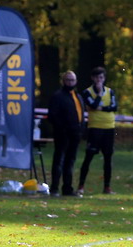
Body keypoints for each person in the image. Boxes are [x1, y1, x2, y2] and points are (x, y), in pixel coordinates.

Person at [77, 66, 117, 195]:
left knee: (108, 158)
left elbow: (114, 107)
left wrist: (101, 108)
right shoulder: (87, 92)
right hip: (95, 128)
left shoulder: (110, 91)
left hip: (109, 127)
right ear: (92, 78)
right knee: (89, 157)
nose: (99, 80)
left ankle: (107, 187)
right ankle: (81, 186)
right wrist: (99, 95)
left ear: (104, 78)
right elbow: (93, 105)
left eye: (101, 77)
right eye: (97, 77)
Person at [48, 70, 84, 196]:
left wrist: (81, 130)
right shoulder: (58, 96)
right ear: (63, 81)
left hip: (75, 134)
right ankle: (54, 188)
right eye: (68, 80)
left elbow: (81, 115)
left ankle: (67, 188)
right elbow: (52, 116)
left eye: (72, 80)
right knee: (59, 160)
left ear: (76, 81)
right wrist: (62, 129)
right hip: (62, 134)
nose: (70, 82)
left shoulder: (77, 96)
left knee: (70, 161)